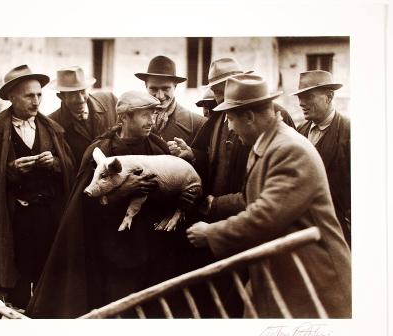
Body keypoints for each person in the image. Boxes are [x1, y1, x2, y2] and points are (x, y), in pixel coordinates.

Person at [186, 74, 351, 318]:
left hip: (316, 282)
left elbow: (266, 215)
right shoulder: (268, 146)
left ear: (249, 117)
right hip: (287, 276)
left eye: (230, 119)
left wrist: (212, 233)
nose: (229, 127)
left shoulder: (289, 149)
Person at [27, 91, 188, 318]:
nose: (152, 121)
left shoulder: (158, 147)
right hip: (114, 255)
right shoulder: (102, 151)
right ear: (124, 118)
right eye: (145, 115)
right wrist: (124, 191)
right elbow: (83, 206)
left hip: (154, 253)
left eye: (154, 114)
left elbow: (174, 188)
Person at [0, 65, 76, 308]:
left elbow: (69, 168)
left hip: (49, 215)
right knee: (19, 273)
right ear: (12, 97)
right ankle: (18, 315)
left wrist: (54, 163)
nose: (36, 101)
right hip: (15, 219)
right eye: (29, 96)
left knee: (49, 269)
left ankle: (47, 314)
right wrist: (11, 171)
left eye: (39, 95)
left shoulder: (53, 131)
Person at [169, 57, 295, 222]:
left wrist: (223, 204)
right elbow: (212, 159)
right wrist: (192, 154)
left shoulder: (272, 115)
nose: (218, 99)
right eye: (215, 92)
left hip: (249, 214)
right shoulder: (218, 116)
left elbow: (272, 190)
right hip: (216, 213)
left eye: (222, 91)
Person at [291, 70, 351, 247]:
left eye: (308, 96)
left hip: (337, 233)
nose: (301, 103)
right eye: (299, 97)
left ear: (329, 96)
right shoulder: (299, 132)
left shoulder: (350, 133)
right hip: (304, 234)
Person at [49, 66, 117, 168]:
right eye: (73, 94)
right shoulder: (53, 123)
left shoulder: (110, 101)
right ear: (61, 97)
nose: (80, 99)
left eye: (82, 91)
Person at [135, 55, 206, 143]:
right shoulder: (130, 120)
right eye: (154, 89)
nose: (160, 96)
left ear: (175, 86)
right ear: (146, 86)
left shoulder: (198, 124)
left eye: (165, 88)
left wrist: (191, 154)